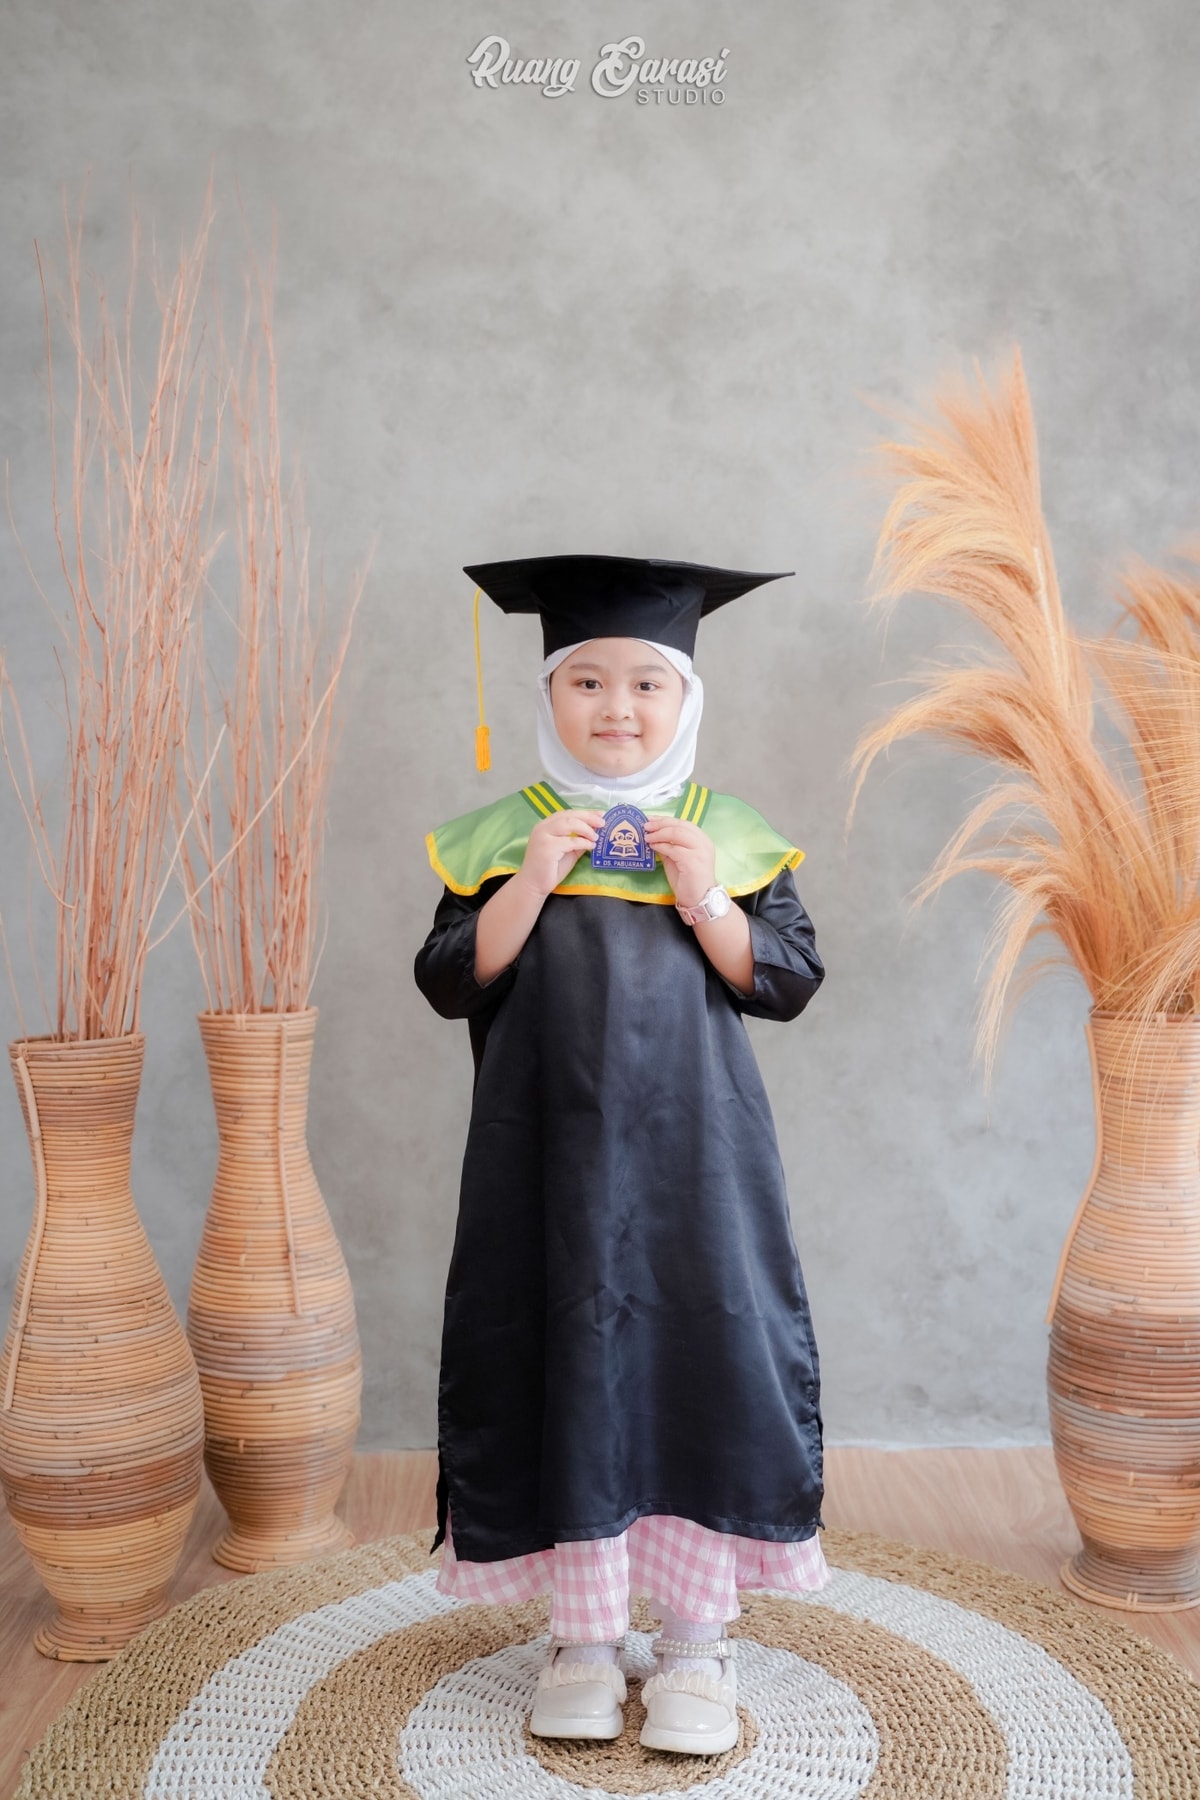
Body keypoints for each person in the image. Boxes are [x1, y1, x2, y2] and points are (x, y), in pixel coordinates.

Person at [414, 554, 828, 1756]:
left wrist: (711, 904)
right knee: (561, 1364)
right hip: (540, 1166)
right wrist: (532, 882)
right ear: (546, 697)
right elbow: (450, 980)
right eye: (586, 681)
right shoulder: (500, 840)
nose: (617, 708)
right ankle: (584, 1640)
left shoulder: (730, 838)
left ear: (686, 700)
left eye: (648, 683)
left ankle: (700, 1642)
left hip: (699, 1172)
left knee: (700, 1367)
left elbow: (788, 982)